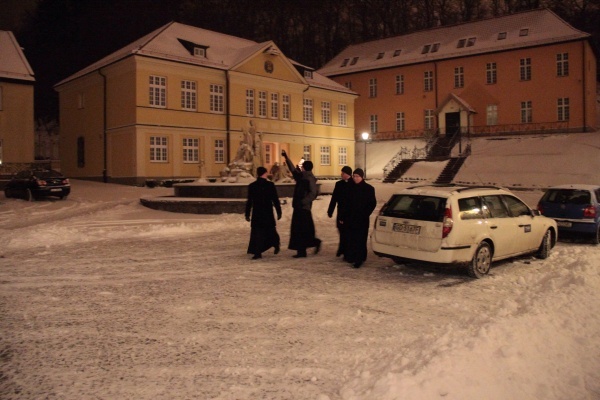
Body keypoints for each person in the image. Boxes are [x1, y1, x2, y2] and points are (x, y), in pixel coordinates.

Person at [281, 150, 321, 258]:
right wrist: (286, 157)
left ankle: (313, 243)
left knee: (303, 230)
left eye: (302, 167)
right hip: (299, 206)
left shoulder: (309, 179)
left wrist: (303, 202)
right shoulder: (301, 176)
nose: (301, 168)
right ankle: (301, 251)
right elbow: (292, 169)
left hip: (304, 208)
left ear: (305, 168)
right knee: (298, 230)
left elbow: (313, 193)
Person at [341, 168, 376, 268]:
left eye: (357, 176)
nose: (355, 178)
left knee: (360, 238)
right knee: (351, 238)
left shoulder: (369, 189)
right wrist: (343, 216)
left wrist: (365, 214)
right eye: (354, 176)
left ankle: (359, 258)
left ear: (362, 177)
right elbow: (345, 203)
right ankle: (352, 256)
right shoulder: (350, 188)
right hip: (351, 218)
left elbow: (372, 203)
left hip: (362, 218)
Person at [245, 166, 282, 259]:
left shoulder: (252, 186)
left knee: (258, 233)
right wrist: (279, 211)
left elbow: (249, 201)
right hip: (267, 212)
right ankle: (275, 244)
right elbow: (275, 200)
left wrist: (247, 213)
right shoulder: (270, 185)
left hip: (257, 212)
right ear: (264, 173)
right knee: (271, 230)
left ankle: (257, 252)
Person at [327, 166, 354, 258]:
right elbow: (334, 198)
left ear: (348, 174)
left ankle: (346, 251)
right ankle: (342, 248)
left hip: (349, 213)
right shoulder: (339, 184)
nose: (341, 174)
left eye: (343, 173)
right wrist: (330, 210)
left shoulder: (353, 184)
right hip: (341, 211)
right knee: (341, 229)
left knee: (347, 232)